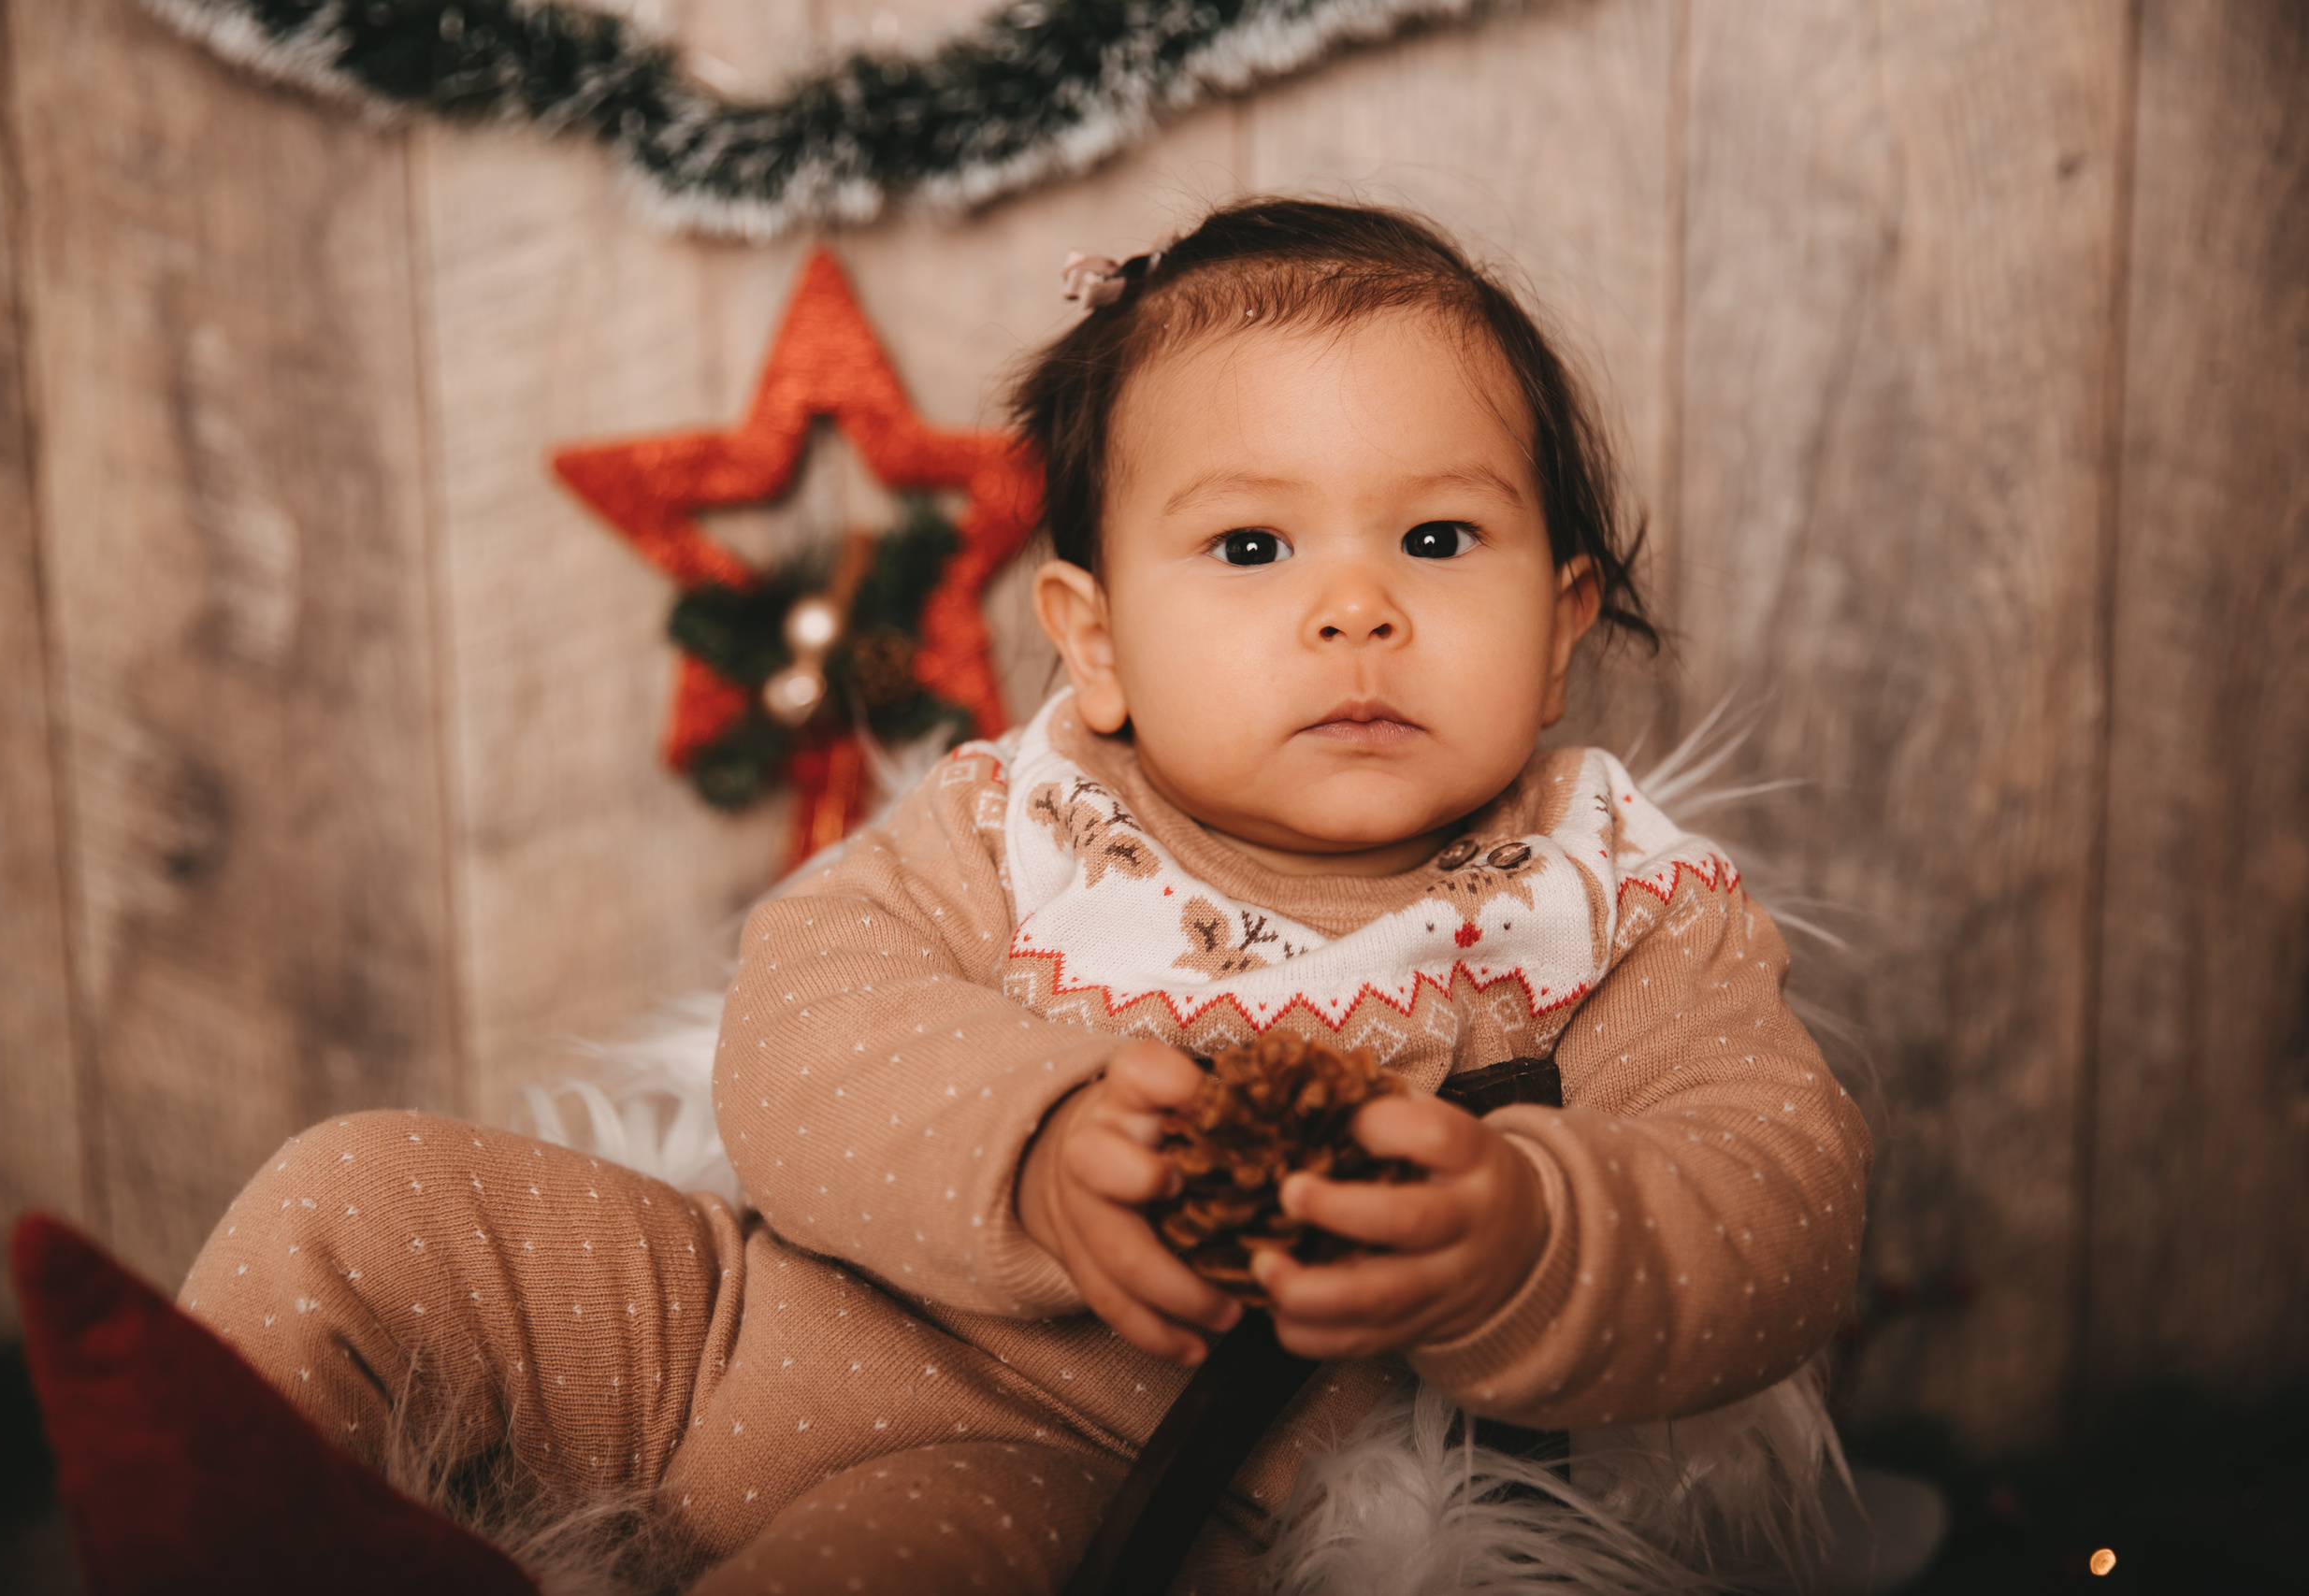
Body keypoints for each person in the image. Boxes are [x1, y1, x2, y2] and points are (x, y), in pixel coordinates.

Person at [180, 199, 1870, 1595]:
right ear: (1097, 641)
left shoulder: (1602, 904)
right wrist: (1040, 1147)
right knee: (360, 1201)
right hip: (724, 1319)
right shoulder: (1024, 819)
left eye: (1437, 540)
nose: (1356, 608)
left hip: (1062, 1463)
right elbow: (802, 1031)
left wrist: (1526, 1236)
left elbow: (1776, 1194)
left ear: (1563, 627)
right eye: (1254, 547)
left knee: (893, 1563)